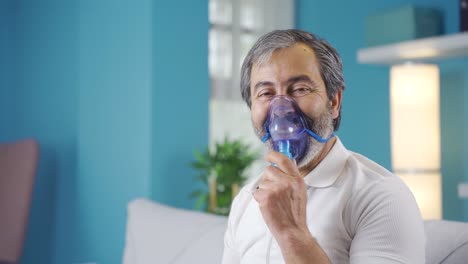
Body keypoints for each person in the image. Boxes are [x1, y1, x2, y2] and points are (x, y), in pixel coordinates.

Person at [221, 29, 425, 264]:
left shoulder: (381, 197)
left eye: (300, 89)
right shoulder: (246, 200)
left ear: (334, 101)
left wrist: (292, 233)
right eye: (266, 93)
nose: (282, 109)